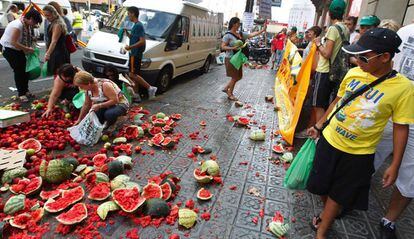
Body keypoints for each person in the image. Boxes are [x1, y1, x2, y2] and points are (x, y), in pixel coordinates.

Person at [306, 28, 414, 239]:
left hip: (358, 152)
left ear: (385, 57)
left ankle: (322, 230)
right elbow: (338, 102)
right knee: (320, 185)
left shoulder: (403, 88)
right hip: (330, 140)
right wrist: (319, 124)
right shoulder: (354, 73)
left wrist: (395, 164)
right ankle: (328, 213)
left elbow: (401, 127)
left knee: (339, 192)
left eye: (363, 57)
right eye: (355, 56)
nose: (357, 61)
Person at [373, 22, 414, 239]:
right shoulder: (406, 32)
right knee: (366, 156)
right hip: (388, 109)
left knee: (411, 176)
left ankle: (389, 219)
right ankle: (346, 199)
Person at [310, 0, 349, 124]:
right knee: (326, 104)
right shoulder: (345, 29)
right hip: (335, 72)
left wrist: (318, 43)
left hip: (325, 71)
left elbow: (327, 54)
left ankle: (318, 133)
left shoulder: (333, 28)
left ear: (330, 13)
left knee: (318, 105)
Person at [0, 9, 42, 102]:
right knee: (19, 70)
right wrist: (27, 49)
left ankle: (25, 90)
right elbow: (13, 42)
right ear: (30, 18)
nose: (35, 24)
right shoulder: (17, 25)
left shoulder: (26, 24)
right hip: (9, 49)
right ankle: (21, 94)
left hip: (18, 49)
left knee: (25, 69)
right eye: (35, 22)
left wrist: (32, 40)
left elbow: (24, 38)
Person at [221, 17, 267, 101]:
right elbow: (223, 46)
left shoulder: (240, 34)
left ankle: (226, 88)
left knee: (239, 76)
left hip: (239, 58)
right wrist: (233, 48)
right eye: (238, 23)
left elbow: (251, 34)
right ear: (234, 24)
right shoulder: (227, 35)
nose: (239, 25)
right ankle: (230, 93)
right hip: (231, 58)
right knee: (235, 77)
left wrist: (262, 30)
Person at [123, 7, 158, 99]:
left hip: (135, 54)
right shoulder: (135, 25)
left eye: (129, 13)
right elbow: (135, 39)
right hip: (134, 53)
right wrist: (128, 34)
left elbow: (142, 41)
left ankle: (150, 88)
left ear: (133, 13)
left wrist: (130, 47)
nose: (128, 15)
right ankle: (137, 95)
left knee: (132, 75)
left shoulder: (138, 25)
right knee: (135, 75)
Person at [43, 5, 70, 75]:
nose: (46, 17)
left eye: (48, 15)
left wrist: (47, 54)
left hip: (59, 54)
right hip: (57, 52)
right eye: (45, 15)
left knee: (60, 76)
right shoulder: (54, 23)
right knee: (59, 75)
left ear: (54, 13)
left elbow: (54, 41)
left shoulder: (57, 25)